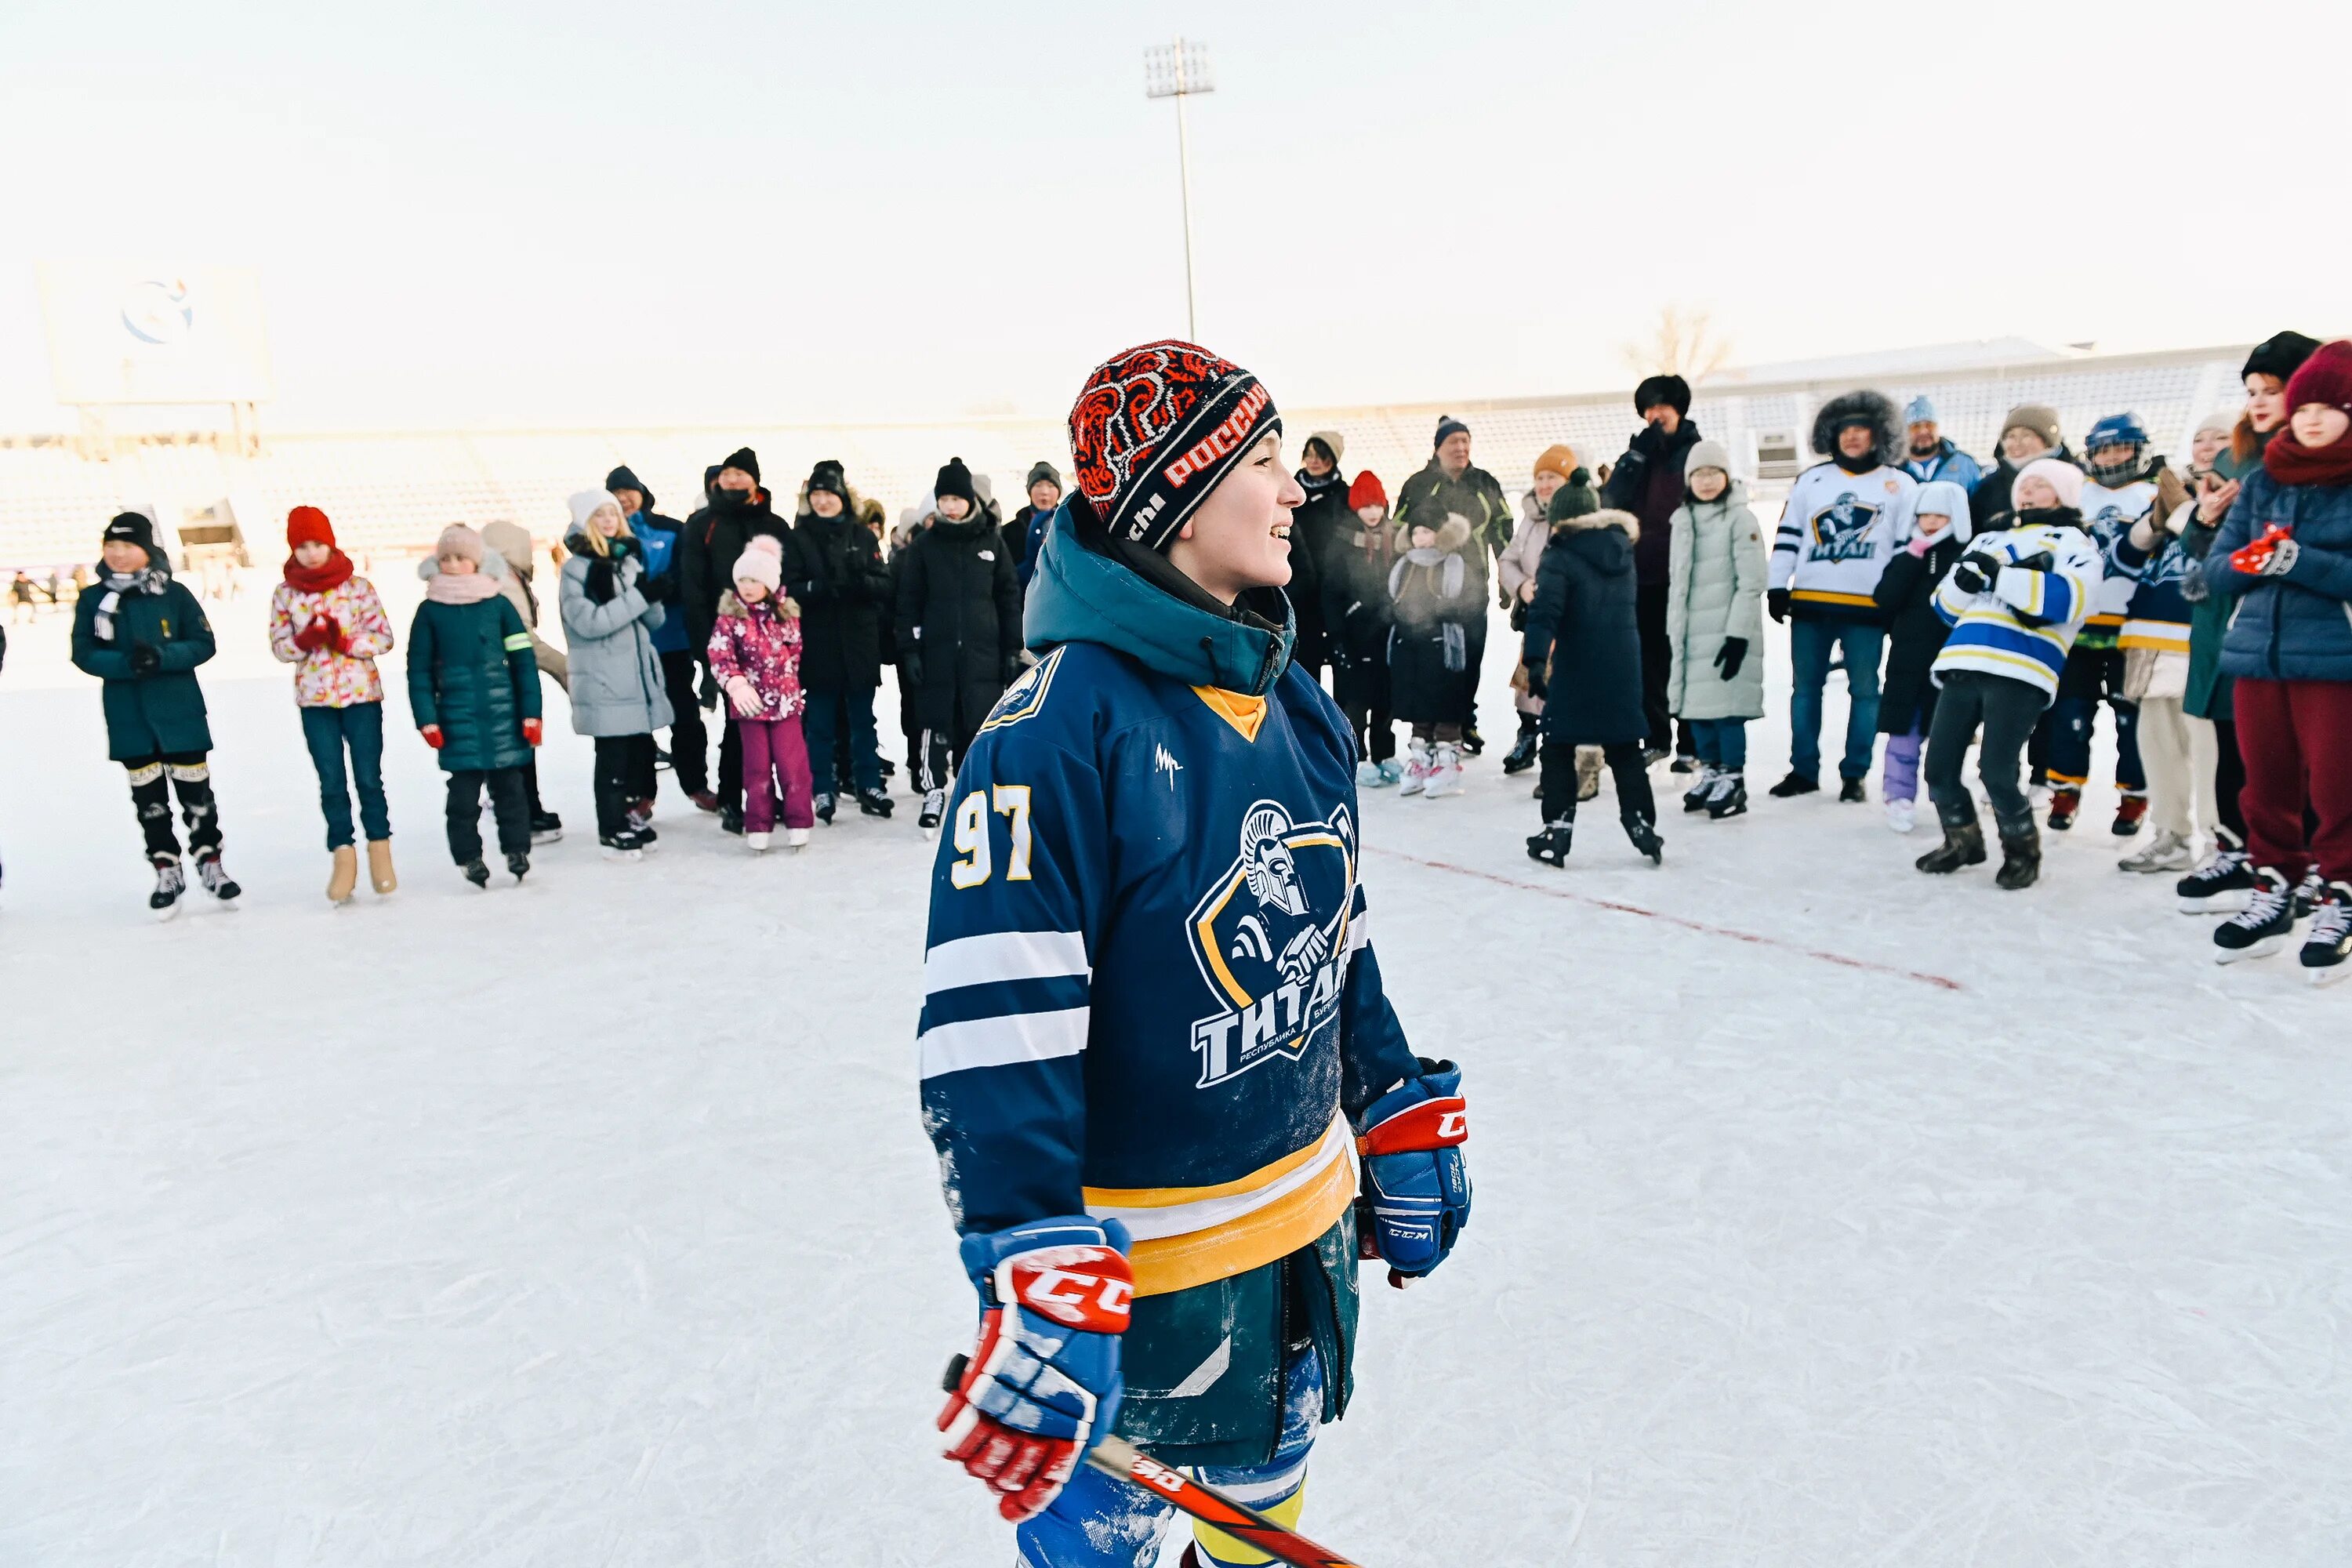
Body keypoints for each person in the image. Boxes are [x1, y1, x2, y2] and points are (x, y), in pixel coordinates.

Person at [922, 340, 1468, 1568]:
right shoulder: (1053, 735)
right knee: (1101, 1549)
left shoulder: (1293, 698)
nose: (1294, 492)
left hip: (1298, 1236)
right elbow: (994, 1033)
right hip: (1139, 1287)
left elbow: (1340, 931)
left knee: (1266, 1516)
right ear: (1173, 500)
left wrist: (1386, 1095)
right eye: (1266, 464)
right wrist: (1027, 1258)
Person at [2198, 339, 2352, 978]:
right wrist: (2250, 559)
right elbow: (2210, 572)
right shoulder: (2262, 479)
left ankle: (2341, 894)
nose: (2312, 417)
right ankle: (2273, 884)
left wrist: (2300, 561)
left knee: (2337, 785)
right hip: (2256, 656)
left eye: (2331, 406)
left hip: (2334, 660)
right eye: (2306, 404)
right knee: (2264, 783)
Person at [2176, 332, 2325, 913]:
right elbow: (2196, 566)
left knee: (2306, 753)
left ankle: (2312, 863)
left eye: (2274, 389)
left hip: (2301, 627)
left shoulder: (2321, 464)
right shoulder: (2235, 459)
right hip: (2230, 622)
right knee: (2234, 740)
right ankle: (2239, 848)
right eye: (2252, 390)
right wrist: (2206, 522)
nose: (2259, 402)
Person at [1915, 460, 2102, 891]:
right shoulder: (1989, 537)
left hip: (2022, 666)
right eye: (2025, 485)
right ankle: (1961, 840)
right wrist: (1966, 579)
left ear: (2063, 495)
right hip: (1964, 660)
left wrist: (2001, 577)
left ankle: (2022, 851)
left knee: (1997, 771)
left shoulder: (2074, 541)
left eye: (2041, 485)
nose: (2028, 492)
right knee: (1939, 766)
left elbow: (2071, 600)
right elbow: (1944, 607)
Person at [70, 510, 240, 916]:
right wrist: (125, 664)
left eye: (127, 546)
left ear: (146, 550)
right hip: (130, 718)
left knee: (197, 797)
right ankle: (166, 866)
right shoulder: (94, 599)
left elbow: (203, 642)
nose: (119, 554)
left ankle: (209, 860)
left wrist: (162, 657)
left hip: (179, 711)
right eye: (111, 546)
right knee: (150, 802)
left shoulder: (174, 593)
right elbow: (83, 652)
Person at [1767, 390, 1916, 800]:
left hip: (1868, 610)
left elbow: (1906, 549)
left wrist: (1895, 599)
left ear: (1879, 434)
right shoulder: (1811, 480)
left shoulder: (1900, 483)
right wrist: (1778, 585)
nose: (1851, 437)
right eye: (1844, 429)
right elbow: (1790, 534)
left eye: (1861, 429)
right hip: (1812, 606)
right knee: (1805, 690)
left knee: (1866, 691)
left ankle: (1855, 774)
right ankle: (1803, 770)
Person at [1523, 492, 1661, 865]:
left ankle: (1557, 827)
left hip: (1576, 666)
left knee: (1556, 747)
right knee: (1625, 747)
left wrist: (1535, 661)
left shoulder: (1560, 553)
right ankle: (1641, 823)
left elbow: (1544, 612)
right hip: (1622, 666)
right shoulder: (1620, 550)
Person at [267, 505, 397, 902]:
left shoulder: (358, 588)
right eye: (302, 546)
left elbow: (384, 637)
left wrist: (346, 643)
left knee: (368, 778)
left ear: (330, 543)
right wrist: (303, 643)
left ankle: (380, 850)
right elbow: (279, 646)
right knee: (331, 782)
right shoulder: (286, 594)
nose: (310, 553)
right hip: (316, 700)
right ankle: (343, 856)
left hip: (361, 696)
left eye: (317, 544)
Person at [2044, 413, 2166, 834]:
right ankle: (2065, 788)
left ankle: (2134, 794)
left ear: (2141, 450)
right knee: (2071, 712)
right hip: (2079, 623)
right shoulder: (2077, 493)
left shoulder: (2154, 495)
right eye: (2104, 448)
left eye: (2122, 447)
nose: (2113, 456)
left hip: (2133, 628)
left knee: (2130, 717)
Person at [408, 524, 542, 887]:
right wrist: (427, 720)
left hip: (504, 718)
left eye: (461, 558)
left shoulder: (499, 605)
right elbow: (418, 670)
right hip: (456, 721)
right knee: (462, 800)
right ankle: (468, 857)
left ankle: (517, 850)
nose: (452, 564)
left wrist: (532, 713)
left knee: (511, 793)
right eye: (446, 558)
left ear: (478, 561)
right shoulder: (430, 611)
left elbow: (523, 663)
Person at [897, 456, 1024, 831]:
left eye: (957, 499)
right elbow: (909, 601)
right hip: (936, 654)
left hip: (982, 657)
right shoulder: (924, 546)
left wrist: (1010, 649)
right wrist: (910, 649)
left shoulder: (991, 543)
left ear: (971, 500)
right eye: (944, 499)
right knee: (935, 723)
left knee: (978, 726)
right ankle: (933, 790)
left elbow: (1008, 597)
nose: (951, 506)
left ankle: (973, 793)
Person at [2109, 427, 2212, 874]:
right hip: (2151, 639)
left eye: (2220, 437)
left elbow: (2213, 546)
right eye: (2201, 437)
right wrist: (2155, 519)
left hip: (2205, 642)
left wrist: (2184, 512)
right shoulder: (2172, 489)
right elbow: (2124, 557)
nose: (2206, 445)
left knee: (2211, 753)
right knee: (2158, 746)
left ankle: (2219, 844)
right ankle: (2171, 833)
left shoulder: (2249, 489)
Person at [557, 489, 674, 858]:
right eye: (599, 515)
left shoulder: (627, 561)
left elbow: (652, 620)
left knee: (639, 754)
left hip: (636, 676)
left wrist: (653, 595)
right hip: (605, 676)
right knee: (613, 756)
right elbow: (588, 623)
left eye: (612, 514)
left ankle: (629, 815)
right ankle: (610, 827)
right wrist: (639, 597)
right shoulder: (577, 569)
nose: (609, 520)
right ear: (585, 523)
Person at [682, 448, 790, 833]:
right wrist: (704, 646)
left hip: (773, 646)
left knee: (776, 722)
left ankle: (767, 795)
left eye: (740, 474)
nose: (733, 480)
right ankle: (732, 798)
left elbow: (787, 585)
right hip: (727, 644)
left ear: (755, 480)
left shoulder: (774, 524)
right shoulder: (701, 525)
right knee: (736, 725)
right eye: (727, 474)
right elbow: (692, 588)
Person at [1391, 415, 1511, 754]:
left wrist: (1506, 575)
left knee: (1467, 657)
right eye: (1453, 442)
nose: (1461, 448)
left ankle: (1461, 720)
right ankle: (1429, 725)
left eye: (1465, 441)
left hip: (1472, 588)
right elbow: (1398, 530)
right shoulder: (1418, 483)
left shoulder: (1484, 482)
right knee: (1430, 660)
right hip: (1424, 589)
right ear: (1438, 448)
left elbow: (1502, 528)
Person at [1605, 375, 1706, 764]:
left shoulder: (1697, 452)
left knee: (1686, 657)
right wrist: (1635, 460)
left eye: (1661, 406)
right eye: (1648, 408)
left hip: (1684, 573)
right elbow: (1611, 501)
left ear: (1679, 408)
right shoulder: (1637, 453)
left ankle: (1692, 743)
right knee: (1648, 660)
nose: (1654, 414)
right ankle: (1657, 737)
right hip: (1641, 573)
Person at [788, 458, 895, 823]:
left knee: (863, 720)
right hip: (818, 645)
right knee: (819, 724)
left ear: (842, 497)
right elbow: (788, 589)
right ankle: (821, 787)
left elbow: (884, 584)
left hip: (858, 645)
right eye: (816, 494)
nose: (822, 501)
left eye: (828, 494)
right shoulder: (798, 537)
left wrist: (859, 582)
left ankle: (868, 783)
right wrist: (817, 589)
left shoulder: (862, 535)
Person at [1663, 441, 1765, 821]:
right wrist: (1675, 629)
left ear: (1726, 477)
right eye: (1699, 475)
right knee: (1697, 710)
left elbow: (1752, 581)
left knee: (1727, 712)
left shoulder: (1741, 519)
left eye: (1713, 473)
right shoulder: (1684, 520)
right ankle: (1711, 772)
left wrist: (1737, 634)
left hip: (1726, 632)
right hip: (1691, 632)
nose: (1706, 482)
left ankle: (1733, 779)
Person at [1871, 480, 1973, 833]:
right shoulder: (1908, 556)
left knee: (1947, 735)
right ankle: (1898, 796)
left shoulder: (1967, 558)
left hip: (1951, 662)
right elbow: (1884, 598)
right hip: (1907, 663)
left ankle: (1946, 795)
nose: (1930, 522)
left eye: (1939, 516)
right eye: (1924, 515)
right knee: (1903, 733)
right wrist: (1911, 558)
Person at [608, 465, 710, 811]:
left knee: (685, 715)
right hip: (627, 646)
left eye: (628, 492)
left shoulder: (669, 529)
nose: (623, 499)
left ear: (641, 492)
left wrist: (667, 589)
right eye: (616, 494)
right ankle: (642, 794)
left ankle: (697, 784)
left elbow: (691, 574)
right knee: (637, 723)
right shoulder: (604, 538)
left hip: (672, 641)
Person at [706, 536, 813, 851]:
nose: (748, 587)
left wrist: (788, 685)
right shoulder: (729, 620)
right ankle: (758, 823)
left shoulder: (785, 615)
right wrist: (736, 683)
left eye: (755, 580)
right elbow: (720, 656)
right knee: (757, 767)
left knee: (792, 765)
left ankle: (798, 819)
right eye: (743, 580)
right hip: (750, 707)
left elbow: (795, 652)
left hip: (785, 705)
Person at [478, 521, 567, 844]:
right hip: (507, 678)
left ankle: (518, 807)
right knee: (518, 744)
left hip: (497, 678)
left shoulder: (494, 574)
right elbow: (521, 638)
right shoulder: (503, 577)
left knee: (511, 745)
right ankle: (524, 813)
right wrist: (563, 667)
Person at [1386, 510, 1482, 799]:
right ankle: (1421, 757)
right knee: (1418, 703)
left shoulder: (1454, 564)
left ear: (1440, 534)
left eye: (1427, 532)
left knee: (1444, 701)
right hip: (1410, 646)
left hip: (1443, 645)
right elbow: (1392, 598)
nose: (1421, 539)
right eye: (1416, 533)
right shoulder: (1403, 565)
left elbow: (1472, 602)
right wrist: (1401, 615)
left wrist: (1440, 610)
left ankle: (1447, 759)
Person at [1497, 444, 1580, 775]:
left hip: (1570, 617)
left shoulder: (1580, 516)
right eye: (1540, 477)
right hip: (1536, 615)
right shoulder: (1530, 519)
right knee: (1530, 678)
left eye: (1553, 477)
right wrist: (1522, 586)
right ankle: (1528, 734)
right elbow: (1508, 559)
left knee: (1564, 681)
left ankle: (1563, 745)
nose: (1545, 483)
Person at [1325, 470, 1398, 785]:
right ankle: (1359, 757)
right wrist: (1337, 635)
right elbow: (1330, 591)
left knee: (1385, 695)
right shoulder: (1341, 540)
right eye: (1365, 506)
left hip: (1385, 631)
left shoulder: (1395, 538)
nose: (1372, 512)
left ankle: (1384, 752)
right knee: (1354, 699)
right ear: (1356, 507)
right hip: (1353, 633)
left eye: (1376, 505)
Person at [1287, 430, 1350, 686]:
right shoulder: (1290, 490)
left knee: (1342, 668)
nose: (1314, 461)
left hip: (1333, 589)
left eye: (1321, 455)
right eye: (1310, 454)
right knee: (1303, 665)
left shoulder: (1344, 495)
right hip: (1297, 585)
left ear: (1333, 459)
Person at [1898, 396, 1984, 492]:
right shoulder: (1893, 469)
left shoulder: (1964, 464)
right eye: (1916, 427)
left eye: (1929, 425)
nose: (1923, 431)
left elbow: (1980, 504)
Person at [1010, 461, 1064, 590]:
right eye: (1038, 485)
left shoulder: (1071, 527)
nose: (1044, 491)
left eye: (1051, 486)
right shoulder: (1010, 531)